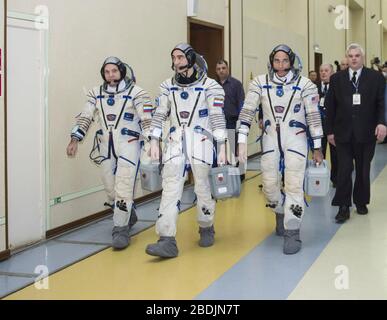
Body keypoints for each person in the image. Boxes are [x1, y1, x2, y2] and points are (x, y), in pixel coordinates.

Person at [238, 44, 324, 255]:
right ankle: (279, 210)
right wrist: (241, 140)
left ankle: (292, 231)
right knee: (269, 185)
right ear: (271, 61)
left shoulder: (306, 85)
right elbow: (247, 111)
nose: (281, 65)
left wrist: (318, 147)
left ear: (292, 61)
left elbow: (313, 116)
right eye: (277, 61)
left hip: (296, 138)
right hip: (270, 139)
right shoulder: (260, 82)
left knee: (294, 185)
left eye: (285, 61)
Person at [145, 43, 227, 258]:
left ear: (191, 58)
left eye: (180, 57)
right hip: (175, 143)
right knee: (170, 189)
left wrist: (222, 144)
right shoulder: (166, 86)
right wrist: (154, 140)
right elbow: (160, 114)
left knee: (203, 188)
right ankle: (166, 239)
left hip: (202, 142)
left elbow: (217, 116)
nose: (176, 61)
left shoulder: (211, 86)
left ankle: (206, 226)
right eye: (174, 57)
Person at [66, 57, 153, 249]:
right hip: (106, 147)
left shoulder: (137, 93)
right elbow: (85, 117)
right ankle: (128, 213)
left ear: (121, 71)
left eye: (114, 70)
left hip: (129, 145)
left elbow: (147, 119)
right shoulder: (96, 94)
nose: (110, 75)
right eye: (107, 71)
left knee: (123, 185)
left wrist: (153, 142)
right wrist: (74, 140)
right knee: (110, 187)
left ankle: (120, 229)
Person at [325, 43, 387, 223]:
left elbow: (381, 104)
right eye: (350, 56)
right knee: (344, 170)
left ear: (362, 58)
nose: (353, 58)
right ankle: (343, 206)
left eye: (357, 56)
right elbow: (330, 107)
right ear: (347, 57)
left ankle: (361, 201)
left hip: (366, 132)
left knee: (363, 169)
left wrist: (382, 123)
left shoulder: (376, 78)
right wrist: (329, 131)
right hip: (342, 133)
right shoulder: (337, 79)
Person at [215, 59, 246, 181]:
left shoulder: (236, 84)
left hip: (233, 121)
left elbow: (241, 102)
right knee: (220, 148)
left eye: (223, 68)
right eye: (218, 69)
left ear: (227, 69)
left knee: (236, 149)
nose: (221, 71)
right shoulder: (213, 85)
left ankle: (241, 174)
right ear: (216, 71)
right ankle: (224, 172)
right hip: (218, 122)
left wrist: (241, 122)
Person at [317, 63, 338, 186]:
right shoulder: (313, 87)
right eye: (321, 71)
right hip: (318, 127)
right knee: (319, 153)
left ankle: (335, 179)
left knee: (336, 155)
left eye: (326, 70)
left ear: (332, 72)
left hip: (334, 128)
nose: (323, 73)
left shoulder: (337, 87)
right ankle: (319, 179)